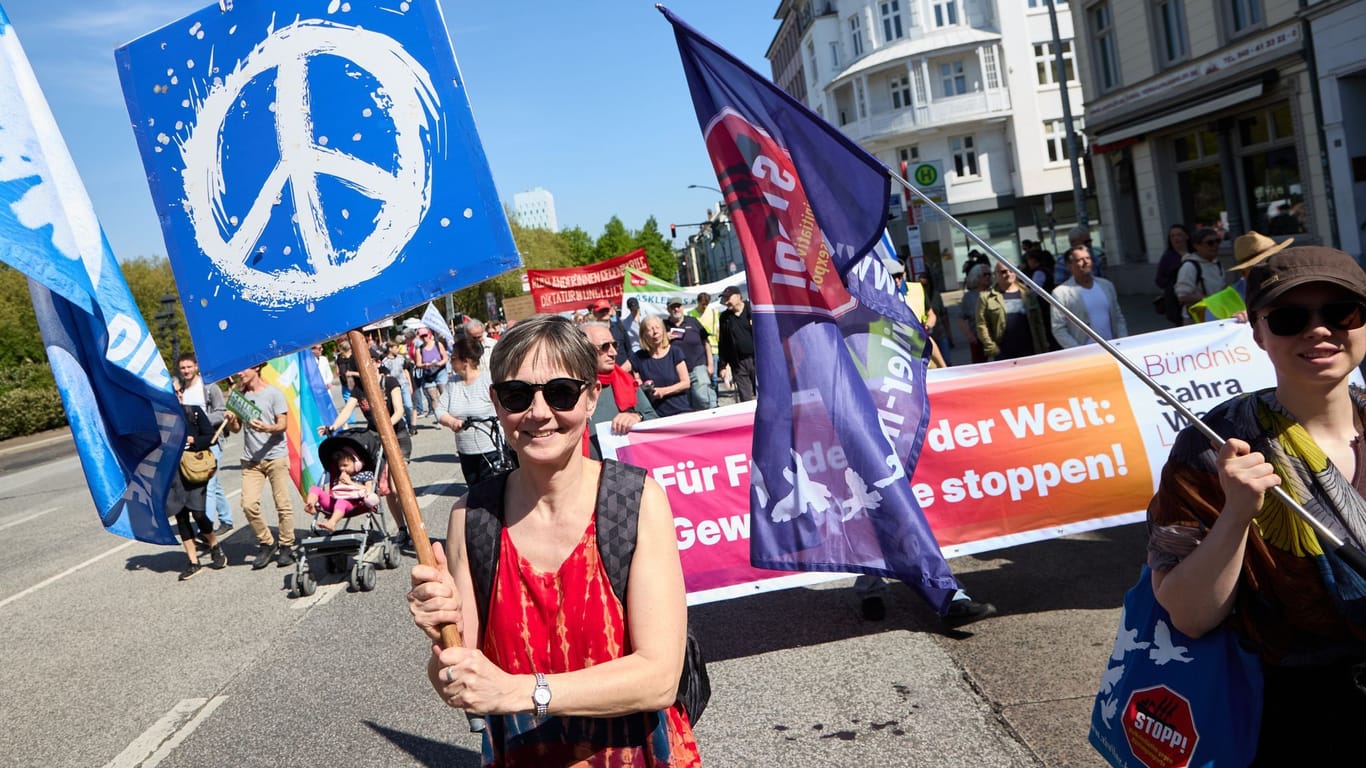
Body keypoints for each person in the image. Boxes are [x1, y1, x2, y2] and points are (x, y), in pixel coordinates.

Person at [407, 314, 701, 766]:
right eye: (517, 395)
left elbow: (659, 676)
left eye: (561, 393)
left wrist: (522, 692)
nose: (539, 413)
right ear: (497, 404)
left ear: (591, 398)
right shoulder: (473, 517)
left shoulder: (635, 502)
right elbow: (464, 684)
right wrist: (441, 639)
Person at [1146, 246, 1366, 762]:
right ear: (1258, 333)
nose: (1318, 330)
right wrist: (1236, 514)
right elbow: (1189, 616)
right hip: (1301, 719)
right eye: (1290, 318)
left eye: (1342, 312)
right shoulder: (1213, 445)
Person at [322, 346, 412, 539]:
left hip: (397, 437)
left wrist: (386, 426)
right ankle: (402, 529)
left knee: (398, 487)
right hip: (376, 441)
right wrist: (332, 427)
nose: (365, 368)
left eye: (369, 363)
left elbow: (399, 411)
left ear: (378, 363)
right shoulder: (360, 389)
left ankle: (414, 525)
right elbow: (347, 411)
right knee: (387, 490)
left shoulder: (389, 382)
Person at [222, 363, 295, 570]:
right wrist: (230, 419)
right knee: (248, 504)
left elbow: (283, 425)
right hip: (251, 460)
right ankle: (267, 542)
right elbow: (236, 429)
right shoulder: (238, 395)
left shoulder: (274, 394)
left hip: (275, 457)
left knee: (283, 504)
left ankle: (287, 546)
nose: (239, 372)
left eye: (243, 369)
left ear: (255, 368)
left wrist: (267, 427)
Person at [169, 387, 228, 580]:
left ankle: (214, 544)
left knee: (199, 513)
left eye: (178, 391)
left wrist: (194, 440)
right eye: (171, 392)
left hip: (194, 470)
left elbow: (209, 437)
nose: (176, 395)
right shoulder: (160, 419)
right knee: (181, 517)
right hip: (173, 473)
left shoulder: (192, 411)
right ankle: (193, 562)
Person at [581, 321, 656, 460]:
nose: (613, 352)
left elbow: (653, 419)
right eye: (605, 347)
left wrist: (637, 417)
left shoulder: (626, 381)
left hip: (625, 469)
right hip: (583, 473)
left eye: (614, 345)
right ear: (583, 350)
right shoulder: (568, 386)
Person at [176, 353, 233, 534]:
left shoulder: (209, 388)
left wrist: (200, 420)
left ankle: (204, 530)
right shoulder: (181, 390)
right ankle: (226, 518)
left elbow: (221, 412)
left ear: (196, 367)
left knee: (206, 484)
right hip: (193, 445)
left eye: (189, 367)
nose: (186, 371)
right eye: (183, 368)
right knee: (212, 483)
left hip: (212, 439)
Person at [436, 336, 503, 486]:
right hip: (466, 451)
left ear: (465, 361)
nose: (450, 362)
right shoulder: (452, 383)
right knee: (475, 494)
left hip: (491, 448)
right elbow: (439, 410)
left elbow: (505, 408)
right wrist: (452, 422)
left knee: (493, 495)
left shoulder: (489, 380)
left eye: (453, 359)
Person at [1050, 245, 1128, 348]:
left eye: (1088, 258)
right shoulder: (1061, 293)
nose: (1086, 262)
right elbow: (1059, 329)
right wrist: (1079, 351)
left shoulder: (1106, 285)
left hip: (1114, 349)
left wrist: (1123, 342)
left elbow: (1118, 317)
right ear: (1069, 265)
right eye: (1080, 260)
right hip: (1087, 354)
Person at [975, 262, 1048, 361]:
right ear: (996, 274)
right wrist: (991, 346)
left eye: (1011, 270)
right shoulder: (986, 297)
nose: (1008, 274)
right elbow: (981, 324)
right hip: (1003, 353)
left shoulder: (1028, 294)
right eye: (1004, 272)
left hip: (1029, 350)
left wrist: (1043, 345)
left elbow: (1038, 323)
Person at [306, 444, 378, 532]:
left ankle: (331, 523)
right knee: (314, 488)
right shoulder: (339, 476)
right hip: (334, 502)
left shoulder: (365, 474)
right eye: (340, 465)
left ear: (357, 464)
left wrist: (350, 482)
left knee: (341, 502)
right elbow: (334, 492)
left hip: (353, 504)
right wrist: (339, 484)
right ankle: (310, 505)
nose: (342, 468)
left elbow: (369, 489)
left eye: (345, 465)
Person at [634, 315, 693, 418]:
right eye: (650, 329)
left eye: (657, 328)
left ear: (663, 331)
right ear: (644, 335)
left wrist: (663, 391)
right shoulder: (638, 357)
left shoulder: (675, 352)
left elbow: (686, 383)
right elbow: (620, 371)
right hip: (654, 416)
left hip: (680, 411)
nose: (655, 332)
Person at [665, 300, 715, 410]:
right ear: (668, 310)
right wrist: (665, 338)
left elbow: (706, 342)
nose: (676, 309)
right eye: (673, 307)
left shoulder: (693, 322)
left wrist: (710, 364)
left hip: (698, 366)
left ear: (682, 308)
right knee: (686, 404)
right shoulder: (664, 326)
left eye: (678, 306)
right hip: (677, 371)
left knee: (703, 399)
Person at [1173, 227, 1225, 322]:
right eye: (1210, 243)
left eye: (1218, 241)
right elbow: (1182, 296)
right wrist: (1209, 299)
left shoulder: (1217, 263)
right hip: (1196, 320)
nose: (1215, 245)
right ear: (1197, 246)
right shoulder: (1190, 266)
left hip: (1216, 316)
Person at [718, 286, 756, 401]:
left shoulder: (752, 309)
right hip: (738, 363)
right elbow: (723, 343)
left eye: (728, 298)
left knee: (765, 394)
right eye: (725, 299)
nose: (726, 301)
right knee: (746, 398)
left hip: (757, 360)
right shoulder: (725, 317)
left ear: (739, 296)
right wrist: (723, 366)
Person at [1154, 224, 1193, 326]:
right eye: (1172, 236)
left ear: (1186, 236)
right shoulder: (1168, 257)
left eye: (1179, 235)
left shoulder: (1195, 254)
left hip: (1194, 297)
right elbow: (1159, 280)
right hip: (1175, 301)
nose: (1176, 238)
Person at [957, 263, 991, 364]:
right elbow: (960, 318)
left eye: (990, 274)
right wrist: (970, 336)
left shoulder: (994, 293)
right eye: (985, 274)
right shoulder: (969, 297)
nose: (989, 277)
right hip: (978, 340)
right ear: (977, 277)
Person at [383, 340, 417, 435]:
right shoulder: (385, 362)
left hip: (404, 384)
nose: (398, 349)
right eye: (396, 348)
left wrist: (410, 384)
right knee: (398, 408)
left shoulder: (401, 358)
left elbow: (406, 371)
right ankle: (405, 427)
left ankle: (411, 424)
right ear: (390, 349)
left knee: (408, 405)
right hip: (393, 387)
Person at [414, 328, 449, 419]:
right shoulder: (419, 349)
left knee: (444, 393)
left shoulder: (437, 344)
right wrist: (425, 365)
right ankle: (439, 419)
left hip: (440, 371)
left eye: (425, 335)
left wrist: (439, 363)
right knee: (433, 397)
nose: (424, 337)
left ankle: (448, 413)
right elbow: (418, 363)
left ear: (429, 334)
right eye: (422, 336)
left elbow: (445, 358)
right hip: (428, 375)